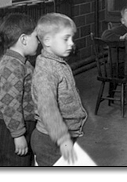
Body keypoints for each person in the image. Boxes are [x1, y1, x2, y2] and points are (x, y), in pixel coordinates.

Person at [31, 13, 88, 166]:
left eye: (72, 38)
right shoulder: (46, 70)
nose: (71, 43)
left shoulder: (57, 62)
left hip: (61, 136)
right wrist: (62, 139)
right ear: (47, 40)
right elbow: (47, 108)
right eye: (66, 39)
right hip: (50, 140)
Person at [0, 13, 39, 166]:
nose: (39, 41)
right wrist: (18, 135)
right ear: (23, 39)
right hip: (9, 131)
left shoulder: (22, 63)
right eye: (36, 37)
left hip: (19, 126)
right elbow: (10, 104)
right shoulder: (12, 66)